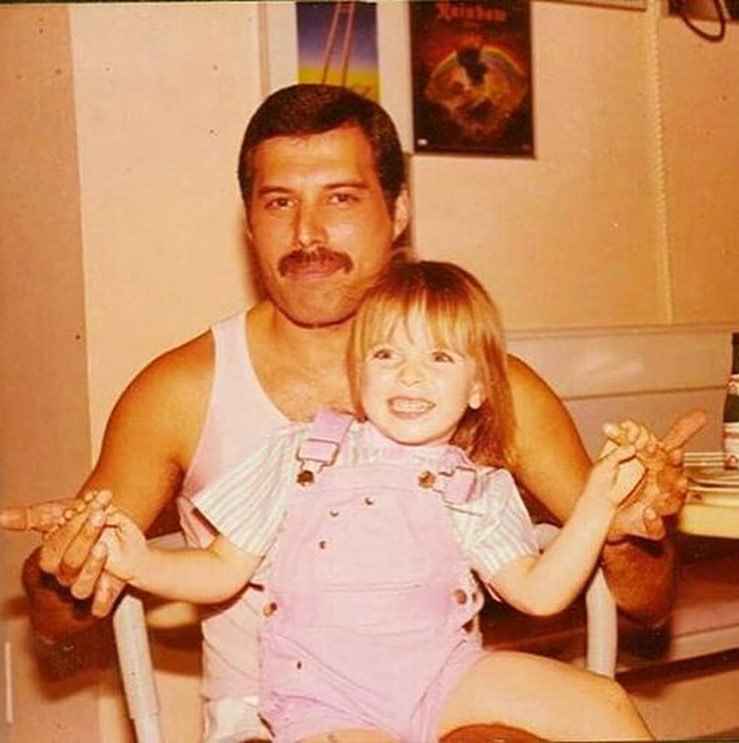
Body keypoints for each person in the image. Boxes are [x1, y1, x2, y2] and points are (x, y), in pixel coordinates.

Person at [1, 84, 704, 742]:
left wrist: (623, 526)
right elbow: (59, 615)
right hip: (274, 716)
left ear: (395, 211)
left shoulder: (493, 385)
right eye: (278, 202)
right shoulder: (181, 390)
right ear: (248, 221)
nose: (307, 234)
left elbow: (645, 604)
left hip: (441, 690)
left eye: (340, 197)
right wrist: (66, 566)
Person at [66, 259, 656, 742]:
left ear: (478, 387)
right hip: (328, 695)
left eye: (439, 358)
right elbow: (221, 570)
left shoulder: (475, 482)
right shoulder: (301, 454)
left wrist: (599, 503)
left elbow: (541, 592)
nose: (409, 376)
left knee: (601, 701)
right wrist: (135, 561)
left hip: (444, 676)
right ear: (359, 370)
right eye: (386, 355)